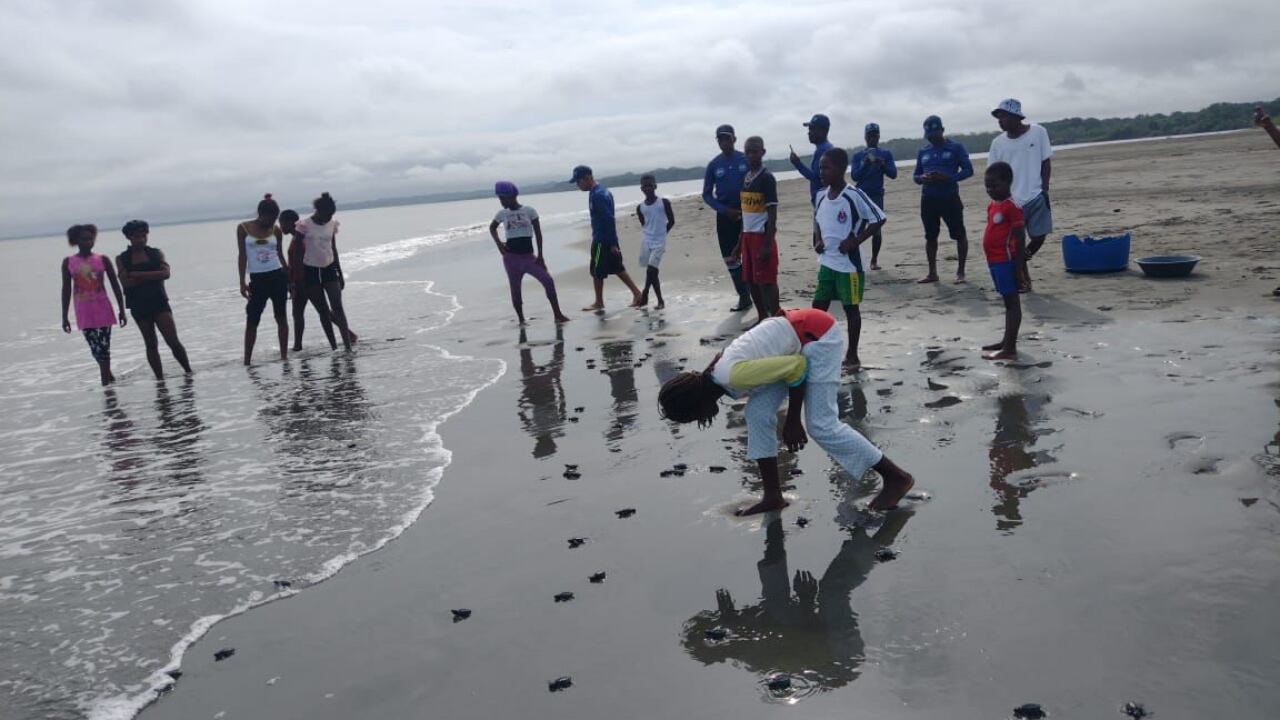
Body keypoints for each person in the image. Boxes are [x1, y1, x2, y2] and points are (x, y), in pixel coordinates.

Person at [657, 307, 915, 516]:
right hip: (793, 342)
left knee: (821, 425)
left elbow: (797, 367)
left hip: (817, 336)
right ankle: (773, 496)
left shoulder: (732, 376)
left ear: (697, 403)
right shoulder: (717, 377)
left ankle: (896, 478)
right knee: (757, 413)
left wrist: (793, 420)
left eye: (694, 416)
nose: (701, 420)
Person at [812, 148, 886, 371]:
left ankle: (852, 354)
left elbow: (879, 218)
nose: (822, 172)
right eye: (820, 167)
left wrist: (856, 240)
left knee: (851, 309)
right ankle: (814, 348)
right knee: (817, 307)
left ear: (841, 169)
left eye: (826, 167)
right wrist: (817, 239)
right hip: (827, 262)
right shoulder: (820, 195)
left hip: (849, 266)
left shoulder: (853, 195)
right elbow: (817, 220)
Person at [988, 99, 1053, 293]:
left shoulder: (1038, 132)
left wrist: (1045, 188)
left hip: (1035, 194)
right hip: (1011, 201)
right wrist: (997, 198)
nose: (1000, 121)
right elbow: (992, 171)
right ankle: (1023, 279)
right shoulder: (998, 143)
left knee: (1039, 236)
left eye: (1004, 116)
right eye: (998, 118)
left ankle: (1024, 259)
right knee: (1016, 243)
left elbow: (1045, 162)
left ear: (1016, 117)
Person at [116, 219, 193, 379]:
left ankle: (188, 372)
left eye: (144, 236)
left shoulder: (156, 253)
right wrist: (153, 275)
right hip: (138, 305)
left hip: (159, 302)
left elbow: (166, 274)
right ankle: (160, 379)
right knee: (151, 344)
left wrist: (137, 274)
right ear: (128, 237)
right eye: (136, 236)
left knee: (173, 341)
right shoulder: (122, 258)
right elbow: (126, 283)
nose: (141, 239)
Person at [489, 181, 570, 325]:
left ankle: (558, 314)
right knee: (515, 289)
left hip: (529, 258)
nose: (501, 201)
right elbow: (492, 228)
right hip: (511, 259)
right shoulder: (502, 214)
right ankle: (521, 320)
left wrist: (540, 255)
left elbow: (538, 234)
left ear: (512, 196)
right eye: (499, 198)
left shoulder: (529, 211)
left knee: (548, 281)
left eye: (503, 198)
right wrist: (499, 245)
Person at [570, 165, 643, 311]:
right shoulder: (600, 191)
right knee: (617, 267)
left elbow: (608, 218)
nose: (577, 185)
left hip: (602, 239)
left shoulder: (598, 195)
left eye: (578, 181)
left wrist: (612, 243)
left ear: (587, 178)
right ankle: (637, 294)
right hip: (605, 238)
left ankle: (599, 302)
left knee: (597, 271)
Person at [61, 224, 127, 386]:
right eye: (84, 239)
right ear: (76, 241)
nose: (88, 242)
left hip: (103, 308)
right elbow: (66, 289)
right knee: (95, 348)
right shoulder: (69, 262)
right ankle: (109, 377)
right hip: (83, 311)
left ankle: (106, 385)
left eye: (90, 239)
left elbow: (115, 285)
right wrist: (64, 316)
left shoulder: (102, 259)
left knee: (104, 346)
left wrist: (122, 310)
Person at [913, 115, 973, 284]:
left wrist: (948, 178)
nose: (932, 138)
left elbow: (968, 170)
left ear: (942, 130)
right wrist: (923, 178)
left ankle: (961, 272)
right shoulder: (923, 151)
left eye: (935, 134)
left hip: (950, 197)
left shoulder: (956, 148)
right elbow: (915, 176)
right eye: (929, 135)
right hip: (928, 199)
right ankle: (932, 273)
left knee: (959, 234)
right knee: (930, 236)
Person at [702, 125, 753, 311]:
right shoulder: (713, 165)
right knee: (730, 257)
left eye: (727, 138)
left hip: (748, 212)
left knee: (751, 254)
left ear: (734, 139)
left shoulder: (745, 159)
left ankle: (761, 295)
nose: (724, 142)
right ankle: (744, 296)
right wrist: (724, 210)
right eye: (720, 139)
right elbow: (707, 195)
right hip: (725, 216)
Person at [297, 192, 355, 350]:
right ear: (318, 211)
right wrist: (299, 278)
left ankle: (348, 347)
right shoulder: (304, 225)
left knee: (338, 307)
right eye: (327, 214)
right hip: (311, 270)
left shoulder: (332, 224)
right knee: (323, 311)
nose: (329, 218)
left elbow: (333, 248)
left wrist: (340, 273)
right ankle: (334, 347)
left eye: (331, 215)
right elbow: (297, 253)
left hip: (329, 268)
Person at [980, 162, 1026, 360]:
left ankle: (1010, 348)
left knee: (1012, 303)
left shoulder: (1012, 207)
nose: (990, 190)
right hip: (994, 260)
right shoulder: (993, 205)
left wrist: (1019, 268)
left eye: (994, 186)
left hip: (1006, 261)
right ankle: (1006, 341)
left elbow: (1020, 239)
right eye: (987, 186)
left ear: (1007, 183)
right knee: (1007, 302)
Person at [237, 194, 290, 364]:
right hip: (257, 280)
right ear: (261, 213)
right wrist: (242, 281)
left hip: (277, 277)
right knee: (252, 320)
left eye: (275, 219)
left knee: (281, 317)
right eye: (270, 218)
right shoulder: (243, 228)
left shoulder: (276, 230)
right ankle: (247, 362)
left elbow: (280, 255)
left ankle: (284, 358)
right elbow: (242, 256)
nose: (272, 222)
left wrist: (289, 279)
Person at [736, 137, 780, 323]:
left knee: (767, 280)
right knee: (751, 279)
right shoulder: (745, 178)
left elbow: (772, 213)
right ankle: (762, 316)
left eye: (754, 151)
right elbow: (745, 214)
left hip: (761, 236)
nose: (751, 155)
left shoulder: (767, 178)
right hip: (747, 236)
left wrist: (767, 244)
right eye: (747, 152)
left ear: (763, 152)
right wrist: (739, 243)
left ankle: (776, 318)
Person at [281, 209, 339, 351]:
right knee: (298, 313)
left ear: (290, 222)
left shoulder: (301, 238)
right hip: (297, 281)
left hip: (306, 280)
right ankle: (297, 345)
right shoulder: (296, 237)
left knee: (323, 311)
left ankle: (347, 334)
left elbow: (303, 260)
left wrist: (299, 282)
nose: (280, 226)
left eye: (281, 223)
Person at [849, 123, 898, 270]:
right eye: (870, 135)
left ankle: (874, 260)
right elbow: (855, 176)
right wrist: (865, 164)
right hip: (860, 196)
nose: (872, 138)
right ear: (865, 137)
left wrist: (882, 165)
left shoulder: (885, 154)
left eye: (875, 135)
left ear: (878, 136)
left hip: (876, 195)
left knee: (876, 229)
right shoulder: (858, 155)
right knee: (858, 229)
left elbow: (893, 174)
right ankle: (855, 259)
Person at [634, 174, 675, 309]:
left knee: (651, 269)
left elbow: (672, 221)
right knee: (652, 271)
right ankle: (660, 301)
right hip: (646, 241)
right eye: (644, 186)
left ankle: (645, 293)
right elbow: (644, 224)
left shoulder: (664, 203)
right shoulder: (640, 207)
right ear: (641, 188)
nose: (647, 188)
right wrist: (650, 234)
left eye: (650, 185)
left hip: (659, 241)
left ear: (655, 186)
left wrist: (662, 234)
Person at [789, 114, 835, 205]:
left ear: (822, 131)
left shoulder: (823, 150)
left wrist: (797, 164)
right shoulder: (825, 148)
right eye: (809, 129)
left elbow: (815, 178)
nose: (809, 133)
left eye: (812, 129)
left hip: (824, 200)